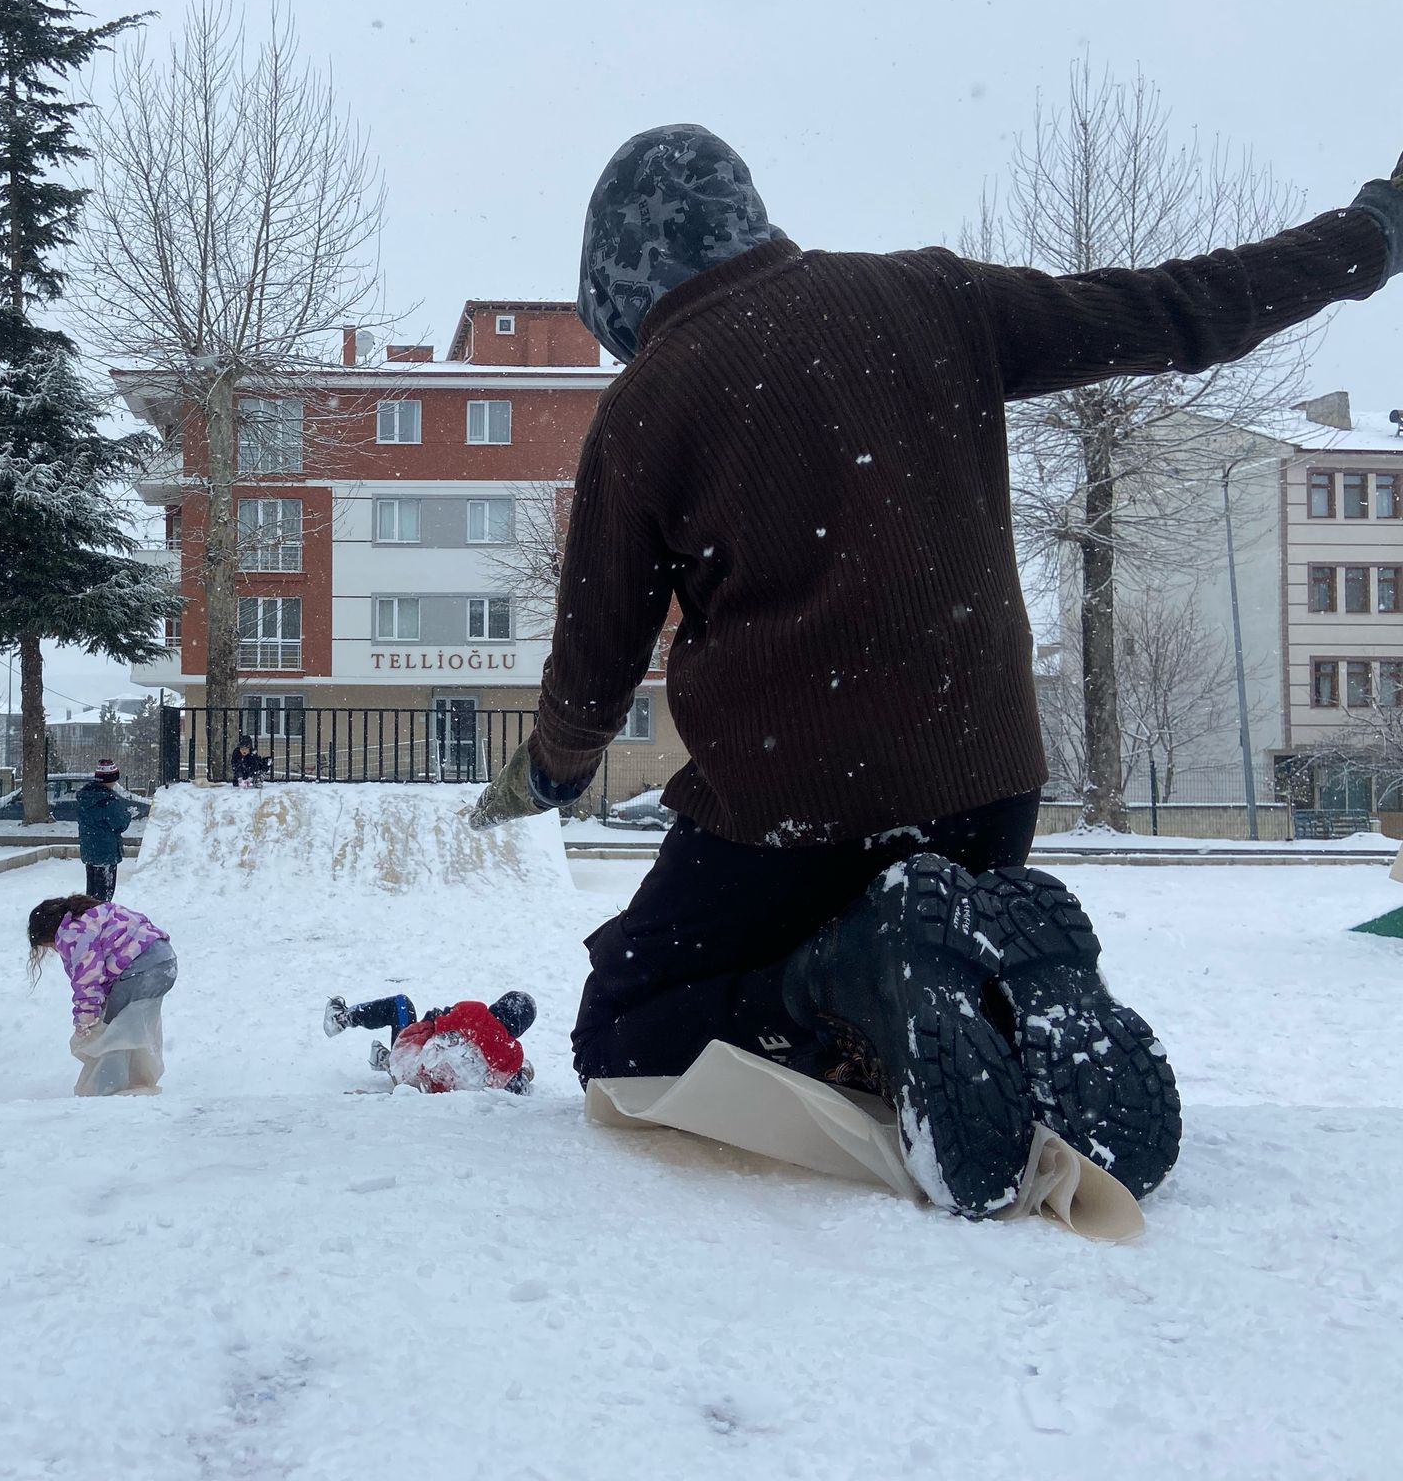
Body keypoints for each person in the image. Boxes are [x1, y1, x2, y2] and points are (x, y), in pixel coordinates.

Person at [472, 124, 1403, 1216]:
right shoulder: (931, 298)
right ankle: (1006, 1002)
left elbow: (595, 657)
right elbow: (1176, 310)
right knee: (918, 935)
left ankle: (847, 986)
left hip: (793, 806)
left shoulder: (648, 401)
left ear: (618, 274)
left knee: (628, 1032)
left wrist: (546, 771)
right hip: (984, 790)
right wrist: (1368, 235)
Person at [29, 894, 179, 1095]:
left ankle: (106, 1088)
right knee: (132, 1027)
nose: (55, 950)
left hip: (140, 969)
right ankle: (138, 1080)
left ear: (48, 933)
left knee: (112, 1031)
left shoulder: (72, 933)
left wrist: (84, 1022)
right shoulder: (92, 913)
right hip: (165, 960)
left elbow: (88, 981)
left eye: (49, 946)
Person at [324, 991, 537, 1095]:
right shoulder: (512, 1055)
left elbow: (433, 1023)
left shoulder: (474, 1011)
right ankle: (389, 1062)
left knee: (401, 1004)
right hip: (439, 1094)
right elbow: (516, 1091)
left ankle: (341, 1018)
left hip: (412, 1070)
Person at [75, 759, 134, 902]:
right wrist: (128, 814)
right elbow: (119, 824)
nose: (115, 783)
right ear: (109, 780)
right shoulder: (108, 801)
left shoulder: (85, 798)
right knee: (104, 896)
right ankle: (100, 920)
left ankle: (89, 917)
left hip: (90, 851)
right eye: (114, 779)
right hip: (106, 853)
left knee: (92, 893)